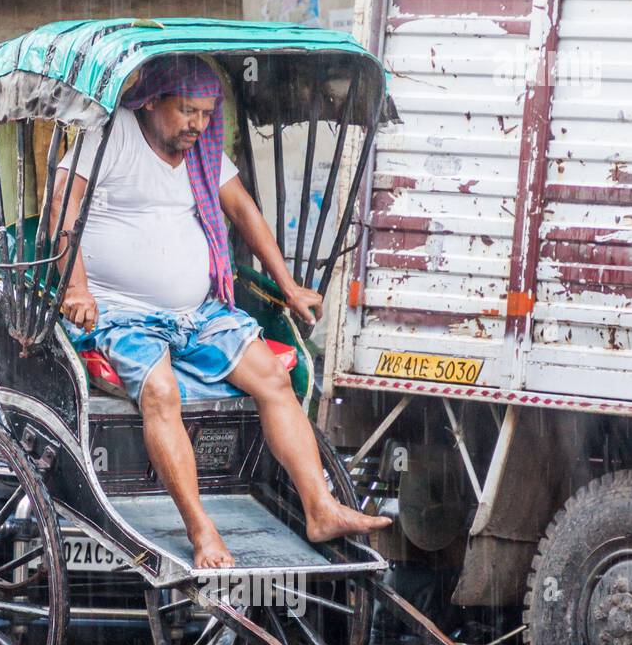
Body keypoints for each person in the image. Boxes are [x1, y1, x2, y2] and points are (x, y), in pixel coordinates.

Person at [50, 54, 390, 569]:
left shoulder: (202, 149)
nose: (198, 125)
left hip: (197, 314)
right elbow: (61, 205)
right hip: (121, 315)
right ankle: (203, 530)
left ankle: (320, 508)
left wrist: (290, 287)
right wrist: (75, 287)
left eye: (208, 113)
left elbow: (241, 210)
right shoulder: (111, 134)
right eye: (187, 110)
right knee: (160, 392)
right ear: (152, 101)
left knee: (274, 378)